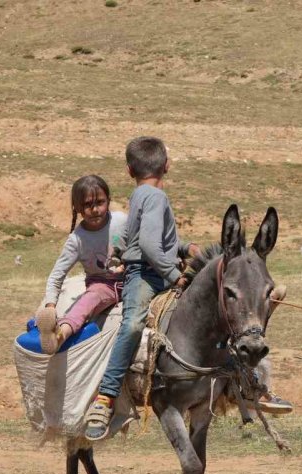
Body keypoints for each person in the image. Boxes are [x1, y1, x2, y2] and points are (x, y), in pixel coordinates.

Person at [84, 137, 200, 440]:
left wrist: (185, 247)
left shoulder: (141, 195)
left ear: (128, 170)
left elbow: (152, 238)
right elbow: (148, 245)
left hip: (156, 269)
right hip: (146, 275)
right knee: (132, 323)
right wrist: (175, 274)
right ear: (167, 165)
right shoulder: (154, 197)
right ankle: (105, 397)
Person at [34, 175, 127, 355]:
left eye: (100, 202)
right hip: (103, 284)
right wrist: (51, 306)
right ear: (77, 207)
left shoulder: (121, 221)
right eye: (87, 205)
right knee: (86, 303)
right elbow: (57, 275)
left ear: (109, 200)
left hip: (134, 274)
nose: (95, 209)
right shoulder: (77, 240)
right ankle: (59, 335)